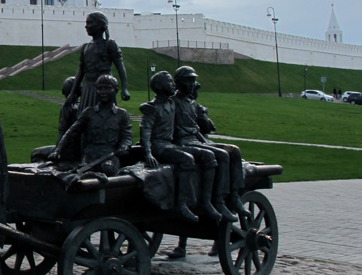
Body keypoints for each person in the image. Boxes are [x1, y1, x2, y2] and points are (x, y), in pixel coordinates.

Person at [172, 66, 238, 223]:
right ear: (179, 82)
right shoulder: (173, 102)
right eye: (189, 81)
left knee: (233, 150)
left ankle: (231, 197)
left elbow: (196, 129)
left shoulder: (190, 102)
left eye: (193, 80)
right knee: (218, 155)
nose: (193, 84)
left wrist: (208, 143)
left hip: (194, 140)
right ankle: (209, 201)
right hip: (181, 142)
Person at [139, 71, 200, 222]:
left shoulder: (171, 102)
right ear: (160, 86)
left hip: (170, 145)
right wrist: (148, 153)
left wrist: (194, 88)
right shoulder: (152, 108)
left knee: (194, 156)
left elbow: (187, 97)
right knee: (187, 160)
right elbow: (145, 132)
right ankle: (181, 204)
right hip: (159, 147)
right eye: (170, 82)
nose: (174, 84)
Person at [52, 74, 131, 176]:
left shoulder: (122, 114)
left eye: (107, 88)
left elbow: (127, 136)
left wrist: (124, 146)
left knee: (108, 169)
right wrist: (58, 151)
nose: (103, 92)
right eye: (100, 89)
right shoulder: (89, 113)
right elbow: (72, 132)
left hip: (109, 155)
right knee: (83, 173)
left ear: (115, 90)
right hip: (90, 156)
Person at [65, 12, 130, 113]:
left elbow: (120, 66)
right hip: (88, 88)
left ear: (100, 25)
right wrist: (72, 92)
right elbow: (81, 71)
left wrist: (124, 88)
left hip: (104, 88)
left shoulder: (109, 45)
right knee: (85, 118)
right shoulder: (86, 47)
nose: (86, 26)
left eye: (90, 23)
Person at [31, 75, 80, 163]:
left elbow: (62, 132)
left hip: (69, 150)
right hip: (81, 149)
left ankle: (46, 174)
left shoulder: (67, 108)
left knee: (35, 154)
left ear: (64, 91)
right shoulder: (84, 106)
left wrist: (57, 151)